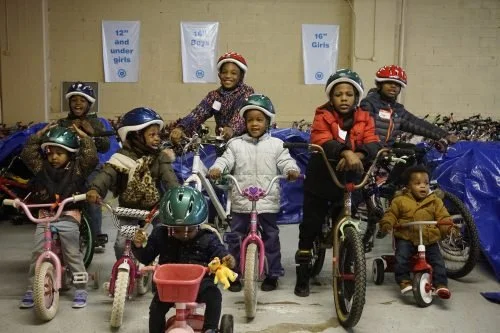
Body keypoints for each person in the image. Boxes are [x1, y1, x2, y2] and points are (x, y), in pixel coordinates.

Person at [294, 69, 381, 297]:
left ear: (357, 97)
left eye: (349, 94)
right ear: (330, 98)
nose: (344, 98)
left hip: (350, 180)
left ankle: (349, 269)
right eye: (338, 94)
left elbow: (373, 142)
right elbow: (321, 139)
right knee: (310, 228)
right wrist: (343, 152)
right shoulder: (322, 115)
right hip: (322, 180)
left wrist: (358, 155)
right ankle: (303, 275)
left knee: (347, 225)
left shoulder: (365, 117)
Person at [208, 94, 301, 292]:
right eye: (250, 120)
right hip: (242, 200)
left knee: (271, 237)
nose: (254, 124)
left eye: (259, 119)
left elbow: (285, 161)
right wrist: (217, 168)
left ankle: (273, 273)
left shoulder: (276, 145)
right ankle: (234, 273)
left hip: (266, 200)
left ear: (268, 121)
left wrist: (291, 171)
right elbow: (225, 160)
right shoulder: (235, 144)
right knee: (236, 237)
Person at [360, 65, 458, 241]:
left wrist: (443, 135)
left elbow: (417, 124)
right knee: (358, 189)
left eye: (397, 84)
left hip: (387, 148)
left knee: (416, 151)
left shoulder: (398, 110)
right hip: (369, 148)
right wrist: (373, 147)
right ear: (379, 84)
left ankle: (395, 186)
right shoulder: (369, 104)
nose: (393, 87)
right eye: (389, 83)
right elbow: (364, 128)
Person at [132, 186, 235, 333]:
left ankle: (210, 329)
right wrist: (138, 246)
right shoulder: (161, 234)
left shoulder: (207, 237)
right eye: (176, 230)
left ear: (199, 225)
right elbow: (146, 257)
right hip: (169, 286)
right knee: (156, 307)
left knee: (214, 295)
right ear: (167, 226)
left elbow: (220, 254)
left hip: (198, 284)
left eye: (189, 230)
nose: (183, 235)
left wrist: (226, 260)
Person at [19, 124, 99, 309]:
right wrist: (38, 135)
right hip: (45, 215)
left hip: (68, 215)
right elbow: (28, 154)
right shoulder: (41, 167)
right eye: (50, 152)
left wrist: (84, 137)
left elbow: (91, 158)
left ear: (70, 153)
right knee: (37, 253)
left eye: (59, 153)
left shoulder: (77, 169)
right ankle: (33, 288)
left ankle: (80, 288)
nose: (53, 157)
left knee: (72, 253)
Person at [86, 107, 179, 260]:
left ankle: (162, 268)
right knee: (122, 245)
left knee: (165, 237)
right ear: (136, 135)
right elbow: (107, 173)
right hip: (129, 210)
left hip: (155, 208)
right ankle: (126, 268)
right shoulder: (121, 158)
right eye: (152, 134)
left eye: (158, 134)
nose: (157, 138)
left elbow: (170, 179)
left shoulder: (160, 157)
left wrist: (177, 195)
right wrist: (95, 189)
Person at [378, 165, 454, 299]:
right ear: (408, 186)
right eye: (418, 183)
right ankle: (404, 280)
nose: (423, 186)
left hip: (428, 238)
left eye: (426, 183)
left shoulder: (435, 201)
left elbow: (443, 217)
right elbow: (391, 214)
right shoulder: (400, 200)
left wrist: (448, 227)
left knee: (437, 261)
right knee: (401, 257)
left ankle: (441, 284)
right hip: (406, 237)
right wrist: (387, 223)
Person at [58, 81, 111, 252]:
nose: (78, 104)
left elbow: (105, 146)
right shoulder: (63, 123)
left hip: (89, 166)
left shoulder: (96, 123)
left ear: (89, 103)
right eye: (74, 100)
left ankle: (96, 235)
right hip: (67, 167)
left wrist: (92, 133)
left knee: (92, 195)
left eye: (82, 100)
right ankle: (60, 232)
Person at [169, 52, 255, 144]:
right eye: (224, 72)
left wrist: (232, 128)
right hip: (221, 144)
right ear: (219, 75)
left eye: (233, 73)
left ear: (241, 76)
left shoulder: (247, 92)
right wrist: (181, 127)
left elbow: (241, 116)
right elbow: (198, 114)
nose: (228, 76)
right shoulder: (214, 96)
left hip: (244, 143)